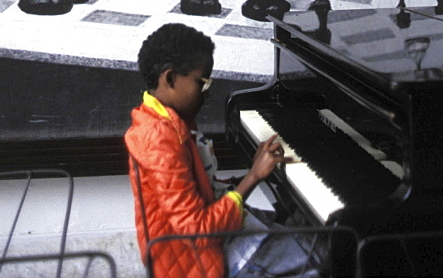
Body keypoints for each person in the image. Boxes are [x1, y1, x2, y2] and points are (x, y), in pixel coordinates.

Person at [125, 22, 326, 278]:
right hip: (196, 263)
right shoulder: (158, 139)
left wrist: (248, 175)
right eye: (202, 83)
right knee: (324, 254)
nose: (207, 94)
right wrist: (253, 177)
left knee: (309, 224)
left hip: (200, 246)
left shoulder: (162, 121)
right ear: (170, 78)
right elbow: (198, 231)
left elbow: (199, 190)